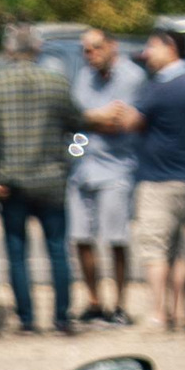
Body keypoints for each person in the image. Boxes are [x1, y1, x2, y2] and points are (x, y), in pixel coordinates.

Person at [90, 25, 185, 331]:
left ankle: (158, 312)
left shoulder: (165, 86)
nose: (147, 54)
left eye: (151, 47)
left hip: (158, 179)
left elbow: (131, 121)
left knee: (155, 249)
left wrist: (101, 115)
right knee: (180, 251)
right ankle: (178, 311)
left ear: (170, 47)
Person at [0, 16, 76, 332]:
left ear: (8, 50)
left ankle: (27, 318)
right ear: (39, 49)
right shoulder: (57, 82)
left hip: (9, 180)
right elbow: (75, 121)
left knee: (17, 252)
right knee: (57, 250)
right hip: (52, 179)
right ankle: (61, 317)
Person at [67, 26, 142, 328]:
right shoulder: (84, 74)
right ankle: (95, 301)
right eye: (86, 50)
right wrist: (94, 117)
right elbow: (73, 115)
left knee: (115, 239)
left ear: (112, 46)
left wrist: (88, 118)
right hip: (82, 167)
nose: (90, 55)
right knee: (81, 237)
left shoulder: (132, 76)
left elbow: (119, 122)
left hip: (117, 168)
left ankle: (120, 304)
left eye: (96, 48)